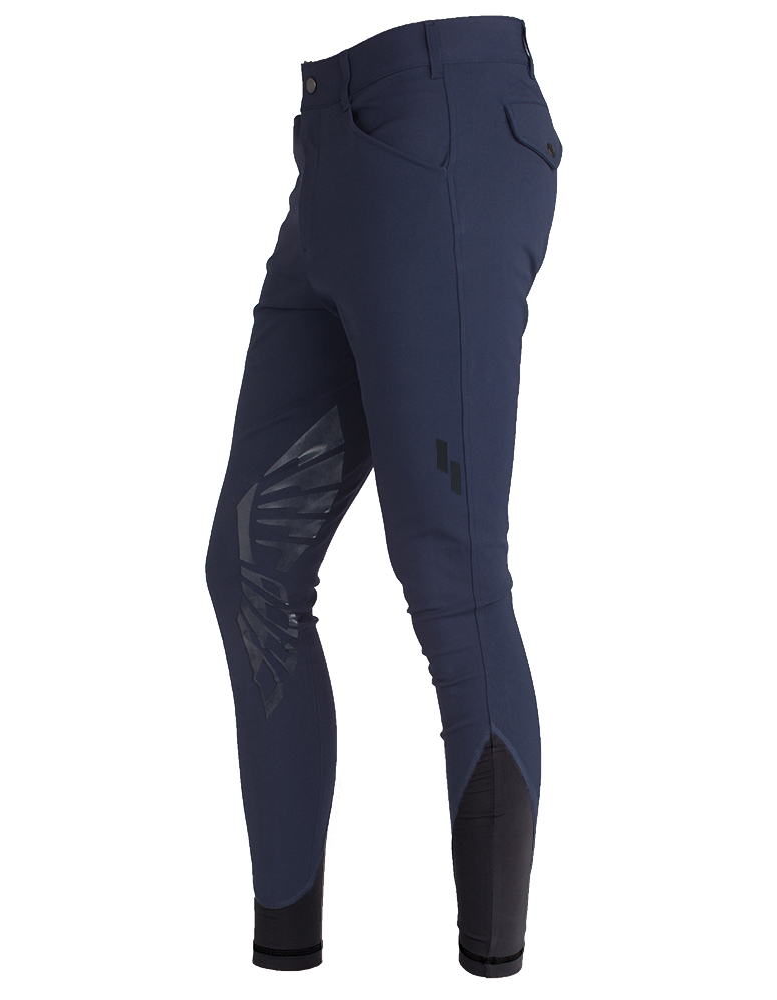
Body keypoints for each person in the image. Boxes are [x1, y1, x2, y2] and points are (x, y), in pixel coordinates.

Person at [205, 13, 562, 981]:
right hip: (334, 149)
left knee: (451, 579)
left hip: (433, 124)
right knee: (252, 564)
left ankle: (489, 974)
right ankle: (284, 961)